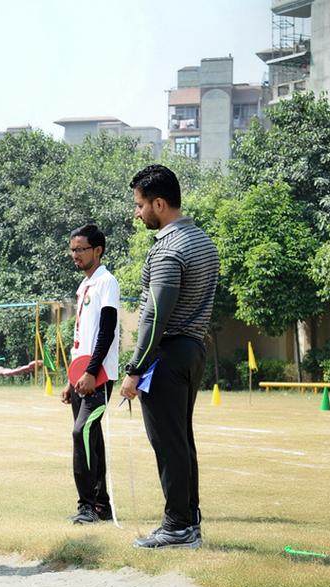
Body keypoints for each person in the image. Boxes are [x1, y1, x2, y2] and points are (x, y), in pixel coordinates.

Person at [120, 165, 219, 549]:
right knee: (181, 442)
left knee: (169, 443)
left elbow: (155, 315)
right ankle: (188, 522)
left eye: (141, 204)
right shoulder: (202, 241)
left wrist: (135, 369)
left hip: (167, 354)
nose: (137, 212)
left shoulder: (169, 247)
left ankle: (177, 528)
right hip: (193, 351)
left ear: (159, 204)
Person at [60, 224, 120, 525]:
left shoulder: (107, 282)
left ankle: (88, 506)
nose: (75, 254)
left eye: (80, 249)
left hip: (98, 377)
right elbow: (81, 338)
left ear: (97, 250)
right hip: (81, 378)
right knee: (91, 439)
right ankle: (101, 506)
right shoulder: (84, 286)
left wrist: (91, 373)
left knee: (80, 432)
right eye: (72, 249)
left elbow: (106, 332)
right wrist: (72, 381)